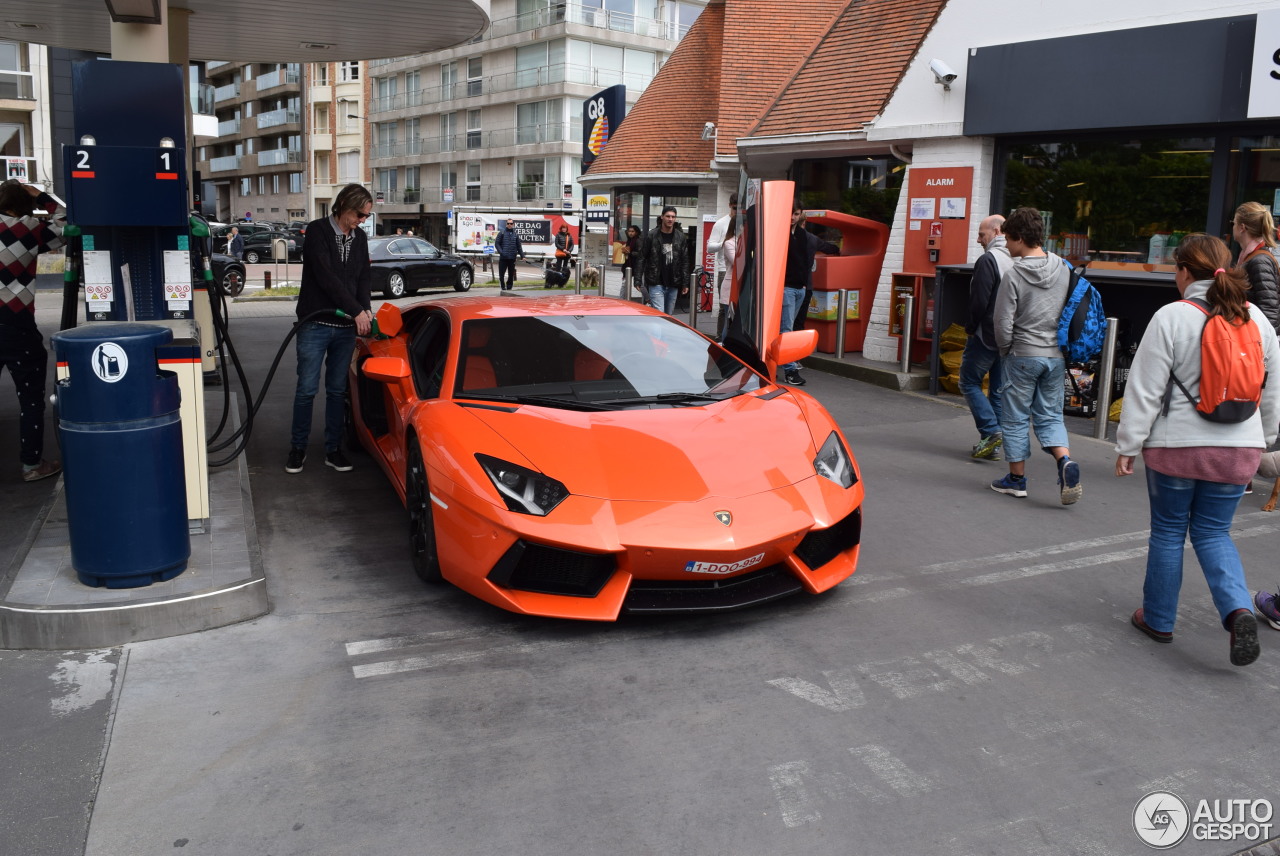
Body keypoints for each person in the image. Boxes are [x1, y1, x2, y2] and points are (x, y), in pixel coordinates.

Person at [1115, 233, 1280, 667]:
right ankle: (1238, 611)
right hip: (1238, 451)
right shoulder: (1258, 320)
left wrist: (1129, 444)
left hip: (1177, 448)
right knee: (1214, 533)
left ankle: (1159, 619)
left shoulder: (1172, 316)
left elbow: (1145, 389)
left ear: (1186, 272)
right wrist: (1264, 438)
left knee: (1169, 532)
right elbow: (1272, 389)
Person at [989, 206, 1081, 504]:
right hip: (1055, 355)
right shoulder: (1064, 268)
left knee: (1015, 418)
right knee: (1050, 414)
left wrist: (1005, 352)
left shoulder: (1014, 275)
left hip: (1022, 354)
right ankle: (1064, 461)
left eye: (1008, 240)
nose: (1006, 246)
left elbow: (1002, 323)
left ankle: (1016, 480)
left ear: (1018, 238)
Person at [286, 183, 373, 475]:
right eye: (360, 215)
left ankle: (333, 449)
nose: (362, 221)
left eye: (366, 217)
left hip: (345, 329)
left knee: (337, 391)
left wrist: (366, 308)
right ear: (345, 206)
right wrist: (356, 310)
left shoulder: (359, 238)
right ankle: (297, 448)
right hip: (315, 324)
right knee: (306, 390)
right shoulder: (317, 231)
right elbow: (326, 277)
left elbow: (363, 276)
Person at [0, 180, 64, 482]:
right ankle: (31, 465)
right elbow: (69, 222)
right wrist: (41, 196)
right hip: (16, 324)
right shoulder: (28, 229)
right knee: (30, 399)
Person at [961, 214, 1014, 460]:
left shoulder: (989, 260)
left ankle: (991, 431)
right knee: (998, 391)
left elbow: (979, 301)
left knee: (969, 381)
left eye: (982, 234)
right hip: (1009, 338)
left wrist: (970, 328)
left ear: (996, 231)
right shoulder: (1019, 258)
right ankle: (992, 444)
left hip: (986, 335)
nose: (979, 239)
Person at [780, 202, 839, 386]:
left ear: (800, 216)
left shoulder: (806, 237)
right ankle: (790, 370)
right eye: (790, 213)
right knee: (787, 330)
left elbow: (827, 247)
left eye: (796, 214)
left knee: (786, 329)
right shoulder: (778, 234)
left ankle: (780, 365)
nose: (792, 217)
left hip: (799, 288)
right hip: (786, 288)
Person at [1231, 201, 1279, 334]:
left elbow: (1269, 309)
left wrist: (1263, 345)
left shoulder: (1260, 261)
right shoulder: (1250, 257)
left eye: (1233, 223)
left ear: (1242, 227)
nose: (1232, 227)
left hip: (1257, 340)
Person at [639, 206, 691, 315]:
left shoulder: (680, 237)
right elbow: (642, 257)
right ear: (662, 217)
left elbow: (685, 260)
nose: (670, 219)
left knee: (669, 316)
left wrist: (685, 283)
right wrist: (637, 279)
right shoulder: (652, 235)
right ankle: (657, 332)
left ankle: (659, 333)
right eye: (668, 216)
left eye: (673, 217)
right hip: (656, 281)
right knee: (659, 315)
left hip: (673, 282)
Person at [706, 193, 739, 340]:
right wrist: (725, 244)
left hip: (738, 271)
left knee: (734, 309)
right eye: (734, 208)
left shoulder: (743, 222)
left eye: (740, 208)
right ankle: (720, 338)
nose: (737, 211)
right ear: (730, 205)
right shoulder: (721, 223)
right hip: (724, 269)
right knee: (723, 308)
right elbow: (709, 247)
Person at [493, 219, 526, 291]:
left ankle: (509, 286)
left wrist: (522, 256)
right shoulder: (501, 233)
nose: (509, 225)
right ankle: (502, 286)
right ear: (506, 224)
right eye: (508, 223)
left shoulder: (515, 234)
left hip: (512, 257)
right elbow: (497, 243)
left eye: (511, 223)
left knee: (511, 274)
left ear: (513, 224)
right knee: (501, 274)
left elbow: (519, 246)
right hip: (503, 258)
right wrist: (501, 252)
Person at [620, 224, 644, 302]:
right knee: (624, 284)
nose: (630, 233)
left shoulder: (638, 240)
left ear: (636, 232)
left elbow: (641, 254)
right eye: (629, 231)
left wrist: (630, 253)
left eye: (632, 231)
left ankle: (647, 299)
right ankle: (622, 300)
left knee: (639, 284)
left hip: (636, 265)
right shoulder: (629, 241)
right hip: (628, 265)